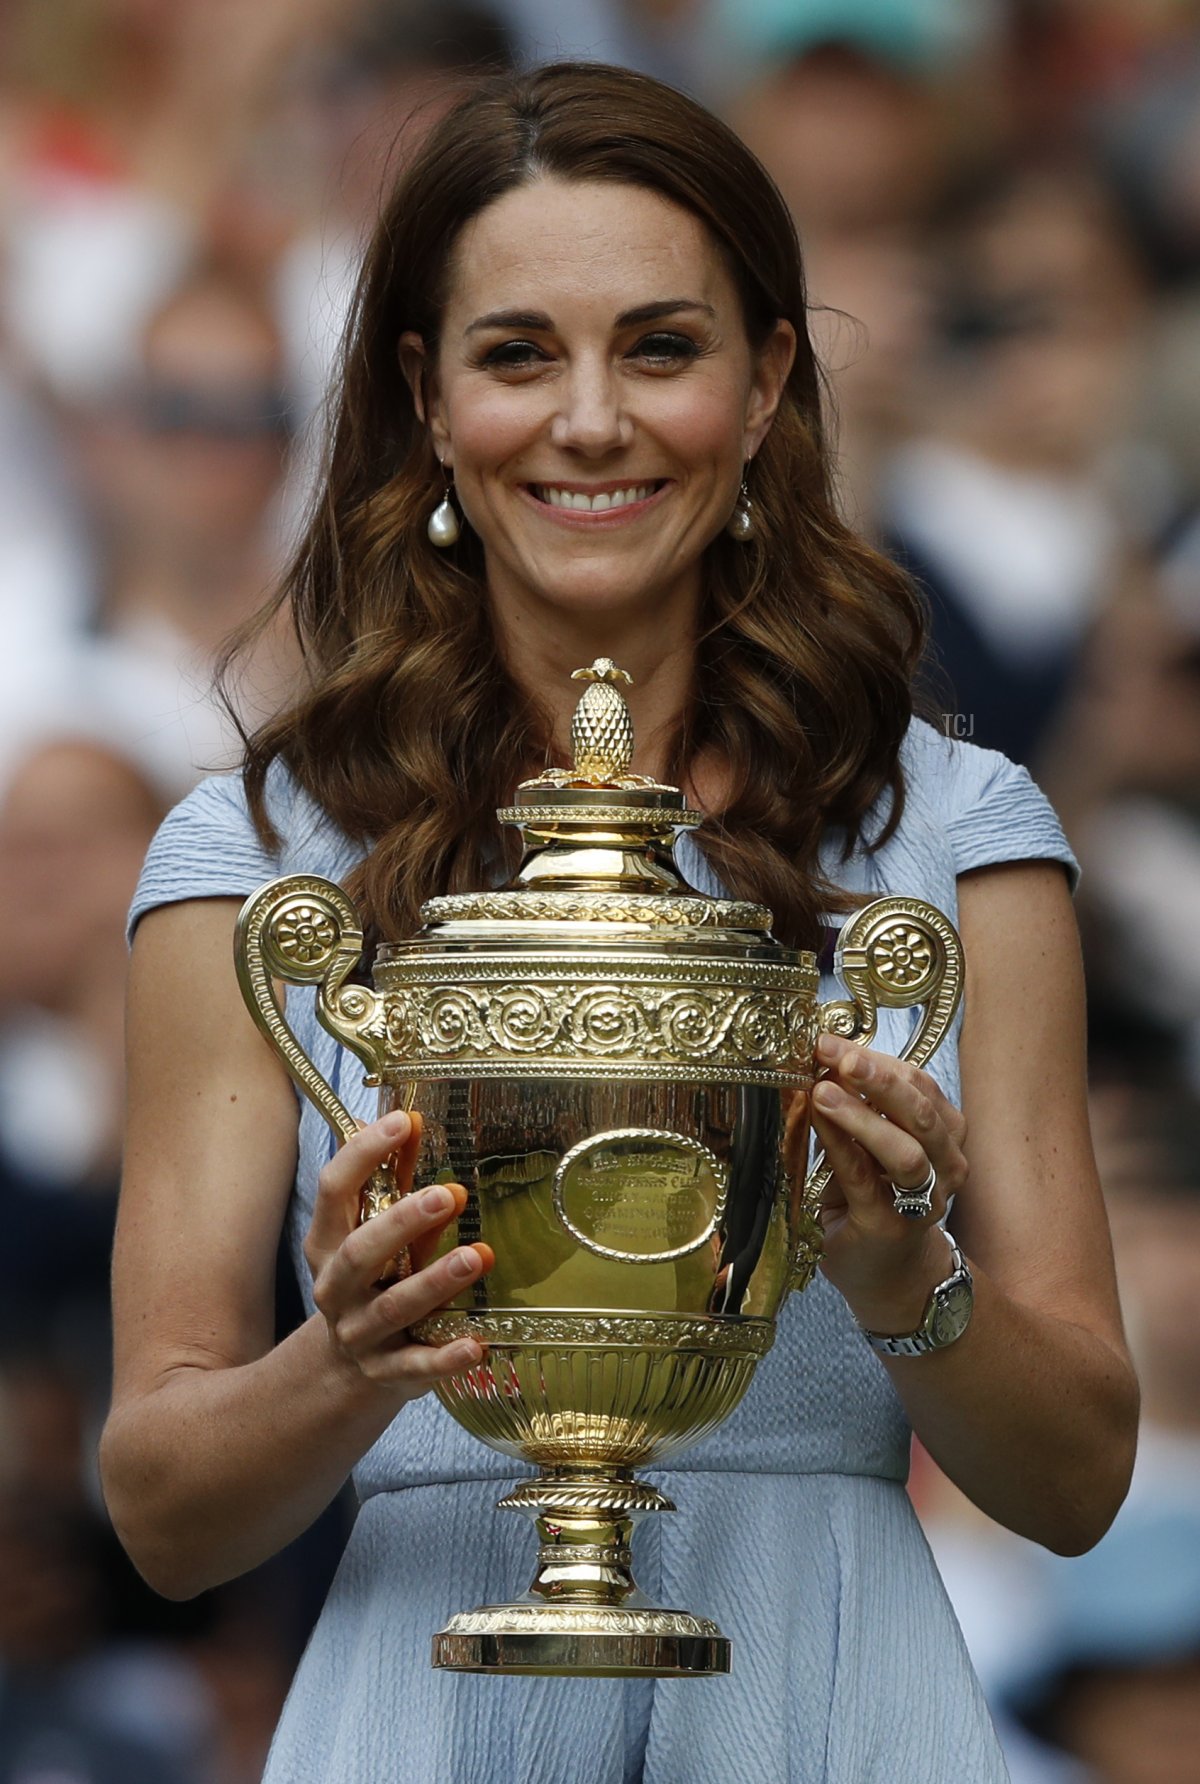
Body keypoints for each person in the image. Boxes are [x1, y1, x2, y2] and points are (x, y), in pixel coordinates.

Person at [99, 62, 1138, 1783]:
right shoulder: (252, 856)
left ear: (766, 382)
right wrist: (354, 1360)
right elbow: (163, 1511)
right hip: (422, 1702)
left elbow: (1080, 1478)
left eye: (660, 348)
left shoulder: (959, 835)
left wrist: (901, 1272)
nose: (592, 422)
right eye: (520, 356)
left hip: (835, 1698)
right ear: (428, 398)